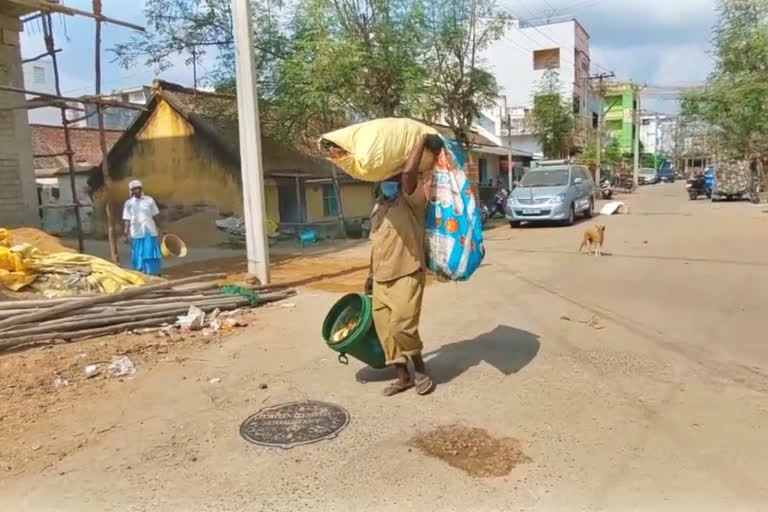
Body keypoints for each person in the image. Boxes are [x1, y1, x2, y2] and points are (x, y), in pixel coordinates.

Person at [365, 134, 443, 397]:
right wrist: (369, 275)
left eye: (392, 180)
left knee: (403, 327)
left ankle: (419, 368)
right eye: (384, 181)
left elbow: (409, 175)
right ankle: (402, 377)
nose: (388, 184)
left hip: (407, 272)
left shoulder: (412, 201)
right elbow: (376, 243)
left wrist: (420, 142)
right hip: (381, 278)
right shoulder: (379, 208)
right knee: (387, 332)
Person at [122, 179, 163, 276]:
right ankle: (141, 272)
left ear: (142, 189)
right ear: (131, 191)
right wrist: (125, 233)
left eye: (139, 188)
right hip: (136, 233)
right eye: (134, 189)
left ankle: (153, 272)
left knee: (151, 252)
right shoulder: (128, 204)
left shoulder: (149, 200)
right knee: (138, 253)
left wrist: (162, 228)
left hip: (150, 230)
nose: (137, 190)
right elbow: (127, 220)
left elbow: (156, 216)